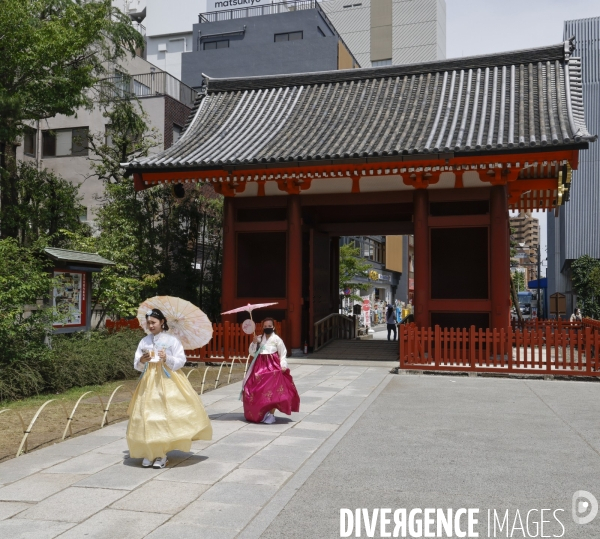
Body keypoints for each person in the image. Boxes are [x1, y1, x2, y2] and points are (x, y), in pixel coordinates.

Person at [127, 308, 212, 468]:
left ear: (162, 322)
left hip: (168, 380)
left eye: (153, 322)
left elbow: (181, 360)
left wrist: (167, 358)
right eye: (148, 323)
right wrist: (143, 360)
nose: (150, 326)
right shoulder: (144, 341)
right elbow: (136, 365)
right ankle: (150, 451)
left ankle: (161, 454)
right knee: (148, 415)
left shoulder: (172, 340)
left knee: (164, 415)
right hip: (149, 381)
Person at [242, 318, 300, 424]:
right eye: (265, 326)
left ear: (273, 327)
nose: (267, 328)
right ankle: (261, 413)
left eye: (269, 326)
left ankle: (271, 414)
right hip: (259, 367)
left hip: (272, 367)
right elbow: (252, 353)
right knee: (256, 390)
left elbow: (283, 354)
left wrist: (283, 365)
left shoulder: (277, 339)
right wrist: (254, 343)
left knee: (273, 392)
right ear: (262, 327)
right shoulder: (259, 338)